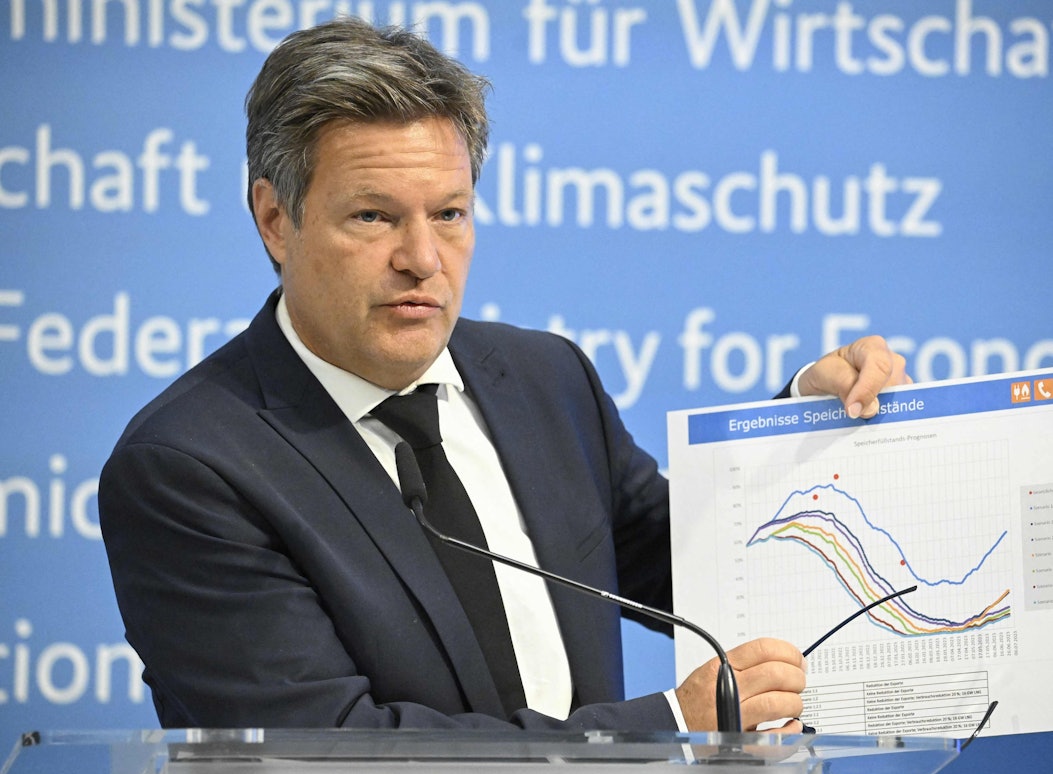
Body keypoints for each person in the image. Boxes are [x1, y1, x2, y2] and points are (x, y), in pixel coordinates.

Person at [98, 17, 909, 733]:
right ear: (276, 219)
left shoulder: (543, 380)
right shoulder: (190, 466)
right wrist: (664, 723)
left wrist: (810, 411)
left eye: (448, 213)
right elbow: (328, 746)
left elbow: (695, 565)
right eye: (373, 216)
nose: (421, 259)